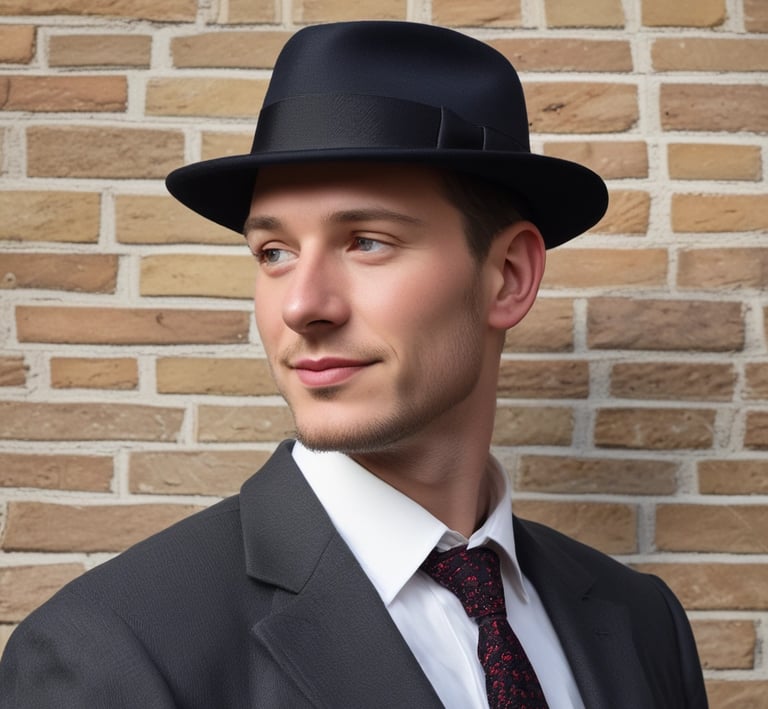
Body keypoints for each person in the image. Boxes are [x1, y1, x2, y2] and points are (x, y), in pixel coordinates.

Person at [0, 21, 707, 709]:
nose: (302, 305)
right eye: (274, 253)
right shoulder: (107, 651)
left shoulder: (644, 622)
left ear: (509, 277)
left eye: (367, 241)